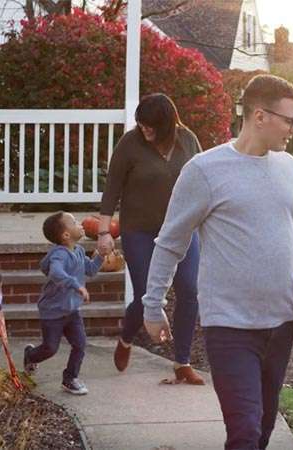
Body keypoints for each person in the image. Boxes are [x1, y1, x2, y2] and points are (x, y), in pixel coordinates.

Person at [141, 74, 293, 450]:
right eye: (291, 120)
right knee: (245, 433)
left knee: (263, 429)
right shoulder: (205, 171)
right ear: (259, 116)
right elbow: (171, 242)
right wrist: (153, 306)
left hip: (281, 324)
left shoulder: (290, 169)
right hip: (230, 327)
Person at [96, 93, 205, 384]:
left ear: (167, 124)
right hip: (140, 231)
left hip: (182, 230)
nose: (144, 130)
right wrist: (104, 231)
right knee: (147, 294)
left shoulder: (188, 140)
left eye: (150, 126)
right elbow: (112, 188)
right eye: (141, 125)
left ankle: (182, 362)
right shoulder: (130, 144)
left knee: (189, 290)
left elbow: (205, 182)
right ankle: (127, 337)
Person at [23, 211, 103, 395]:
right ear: (66, 235)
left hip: (72, 311)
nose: (81, 223)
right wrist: (76, 286)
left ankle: (70, 379)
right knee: (50, 348)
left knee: (80, 344)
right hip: (52, 311)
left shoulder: (79, 251)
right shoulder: (58, 255)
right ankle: (31, 355)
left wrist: (100, 256)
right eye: (74, 222)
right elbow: (56, 273)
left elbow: (90, 270)